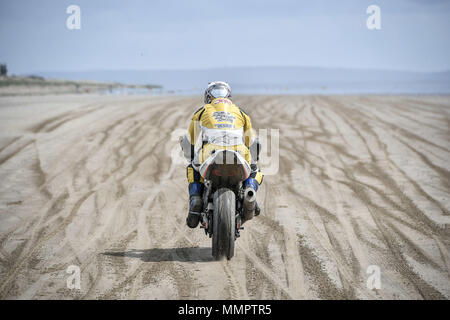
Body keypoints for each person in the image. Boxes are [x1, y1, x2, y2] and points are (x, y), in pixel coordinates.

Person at [180, 81, 263, 228]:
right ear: (229, 95)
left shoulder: (202, 111)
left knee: (193, 168)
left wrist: (191, 157)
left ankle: (195, 200)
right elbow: (255, 143)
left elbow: (188, 141)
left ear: (207, 96)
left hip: (210, 152)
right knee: (255, 170)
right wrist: (254, 161)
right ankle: (250, 193)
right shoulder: (241, 112)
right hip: (239, 152)